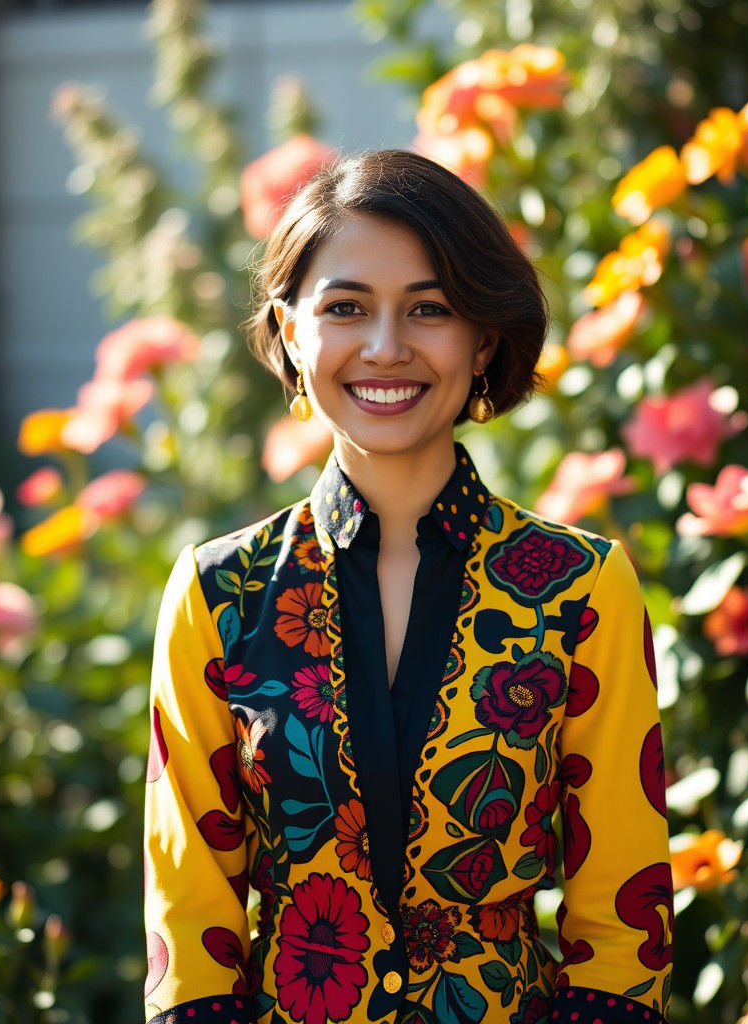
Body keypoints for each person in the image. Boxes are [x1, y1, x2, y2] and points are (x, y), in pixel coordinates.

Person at [143, 150, 674, 1024]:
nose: (386, 348)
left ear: (484, 340)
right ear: (288, 330)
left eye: (429, 309)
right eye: (346, 308)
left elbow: (625, 909)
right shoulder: (218, 593)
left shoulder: (581, 590)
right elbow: (187, 922)